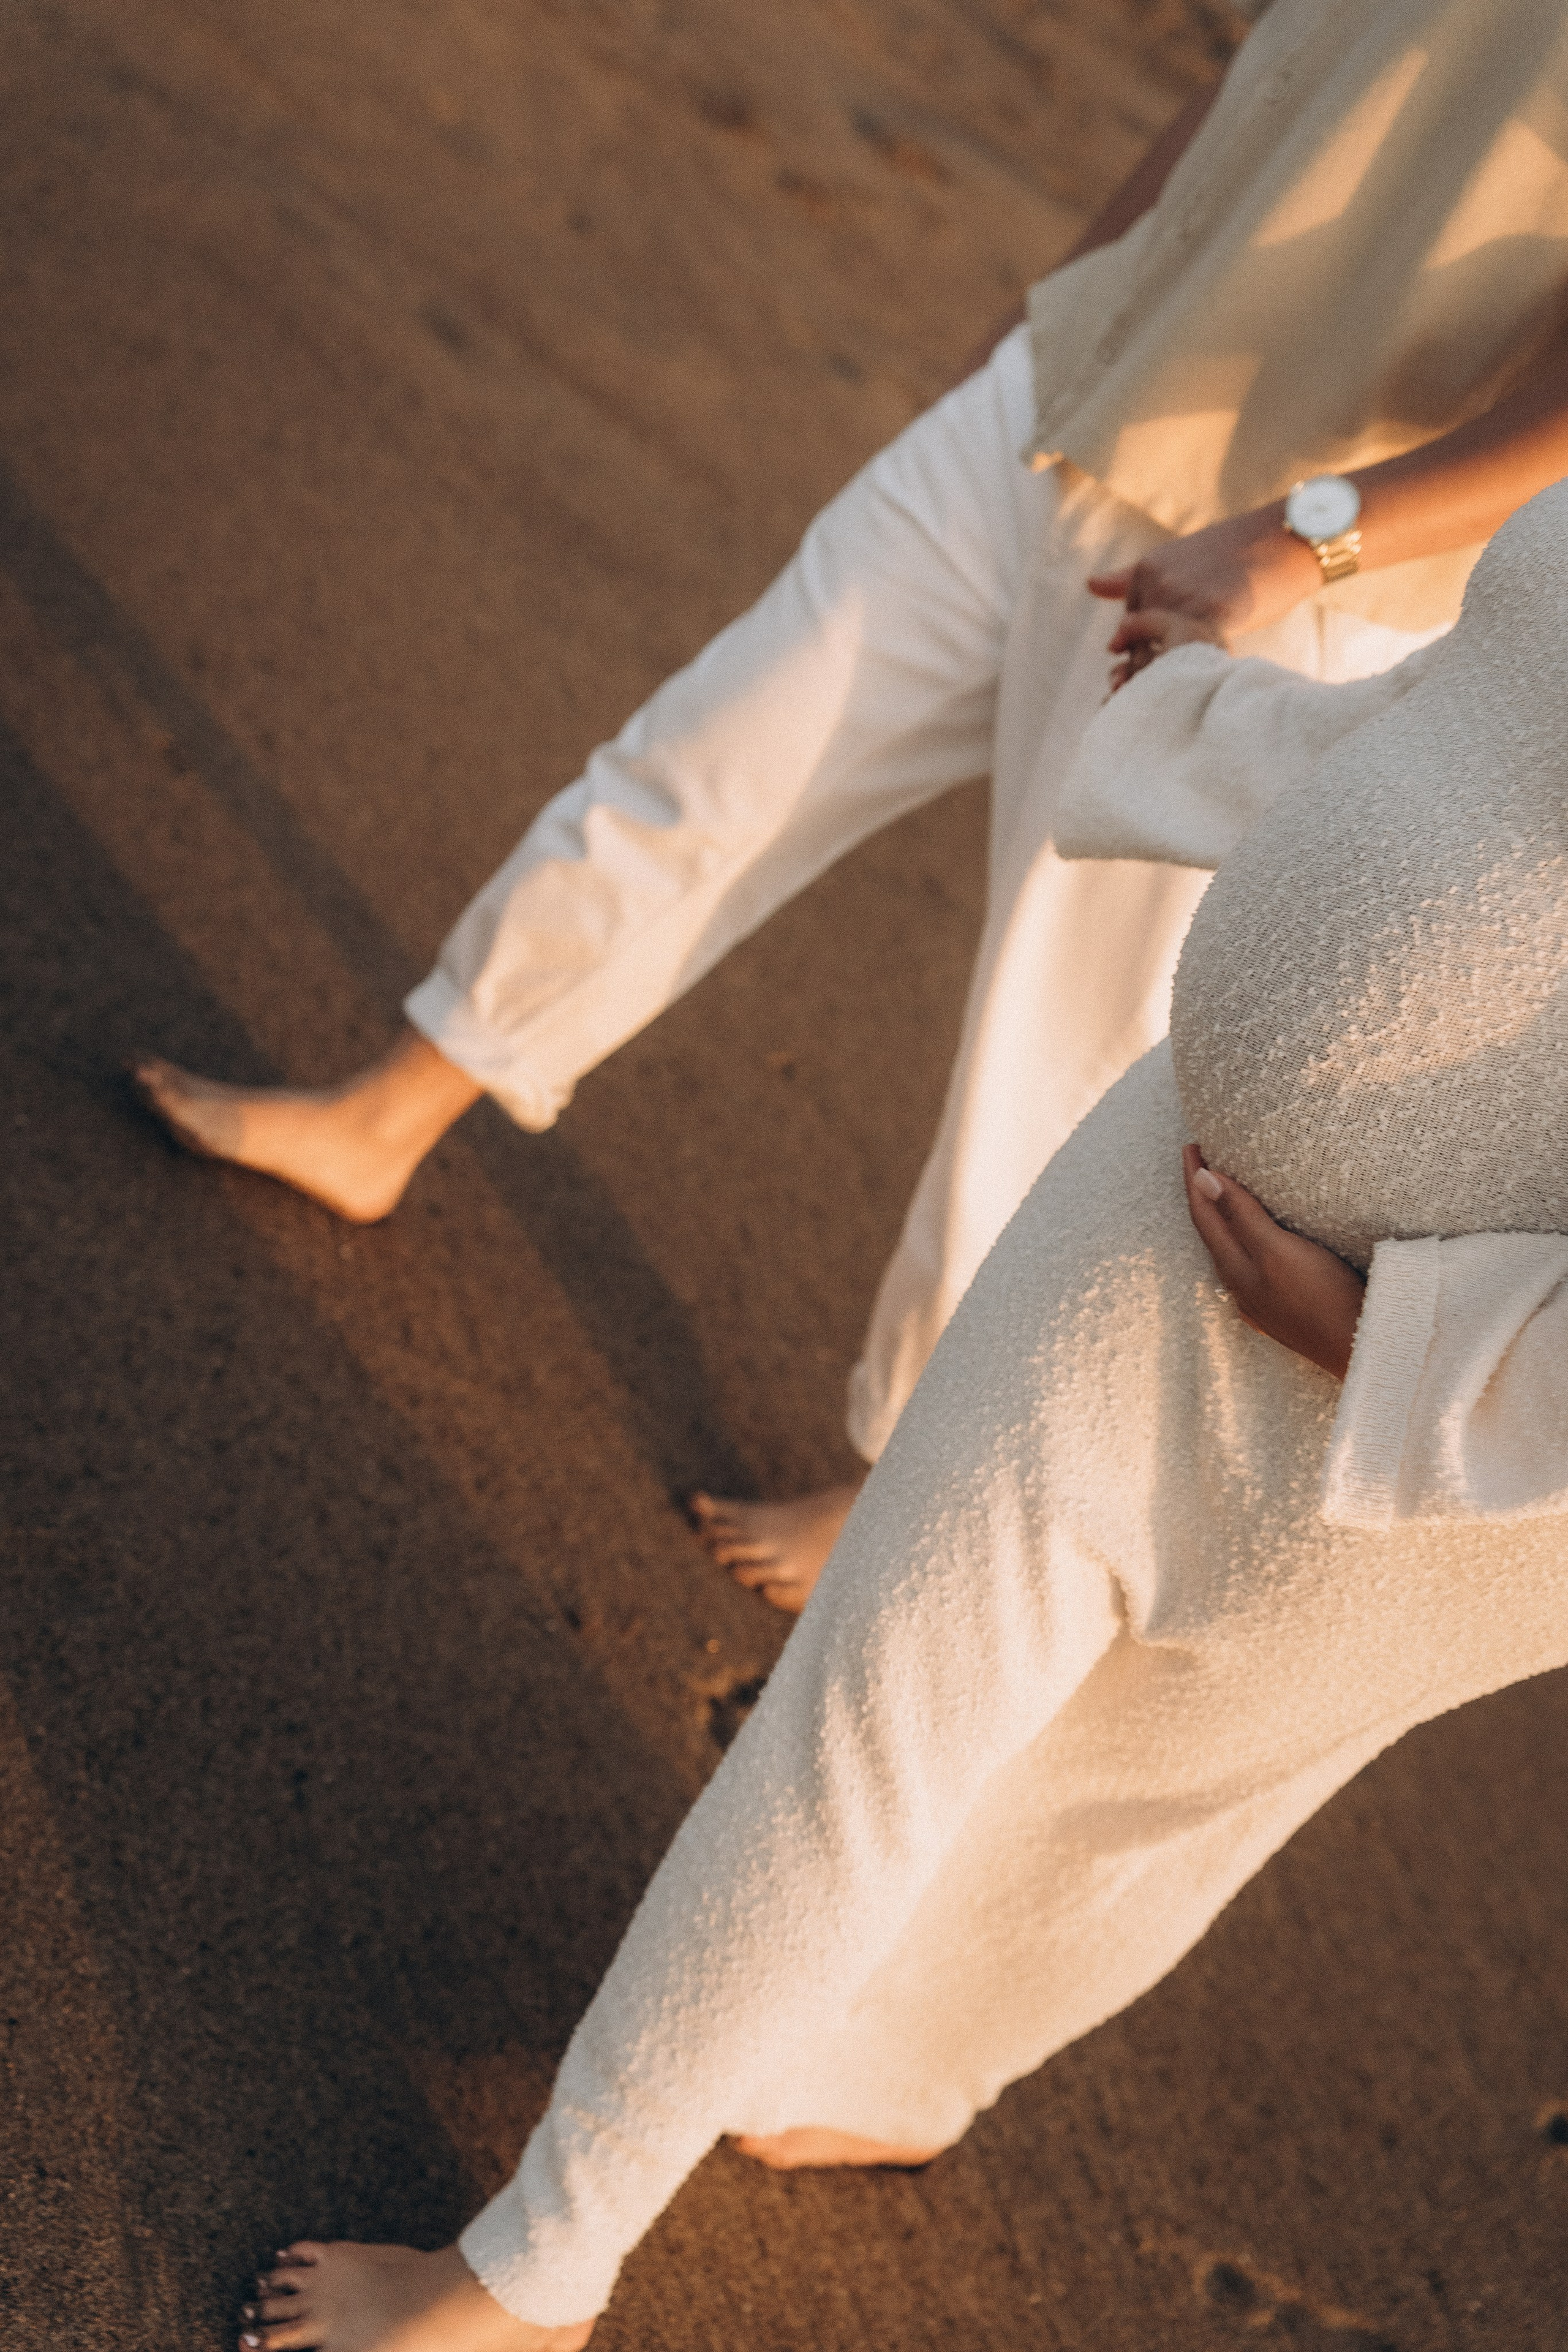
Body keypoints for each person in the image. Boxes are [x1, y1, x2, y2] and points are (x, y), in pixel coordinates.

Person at [235, 470, 1568, 2352]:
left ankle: (901, 2065)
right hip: (1174, 1188)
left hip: (1469, 1451)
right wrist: (1190, 721)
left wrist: (1409, 1342)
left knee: (1138, 1797)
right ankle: (534, 2266)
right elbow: (1461, 721)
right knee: (870, 1720)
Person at [138, 0, 1568, 1612]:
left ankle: (895, 1480)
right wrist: (1060, 302)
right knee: (720, 749)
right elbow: (1267, 76)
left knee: (1044, 1043)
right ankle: (392, 1108)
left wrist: (1309, 537)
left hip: (1284, 563)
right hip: (1079, 389)